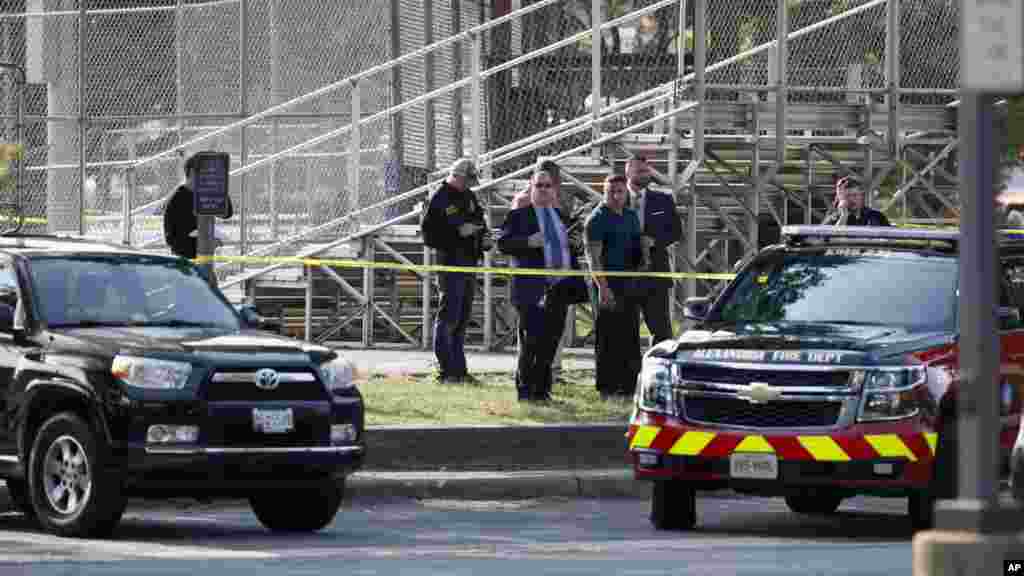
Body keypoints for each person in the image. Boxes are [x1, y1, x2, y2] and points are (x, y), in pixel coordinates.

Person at [498, 169, 585, 402]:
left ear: (554, 189)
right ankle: (526, 392)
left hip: (560, 288)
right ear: (531, 188)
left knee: (551, 342)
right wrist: (528, 241)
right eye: (539, 186)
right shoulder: (519, 215)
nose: (544, 190)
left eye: (548, 186)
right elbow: (503, 243)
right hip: (532, 289)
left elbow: (573, 249)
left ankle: (543, 391)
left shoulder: (561, 216)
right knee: (531, 342)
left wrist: (577, 245)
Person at [424, 158, 491, 384]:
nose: (470, 184)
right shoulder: (440, 197)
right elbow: (429, 235)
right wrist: (457, 233)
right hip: (450, 262)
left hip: (469, 262)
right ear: (459, 176)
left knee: (462, 318)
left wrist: (483, 236)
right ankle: (445, 370)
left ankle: (459, 370)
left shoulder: (469, 196)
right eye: (468, 179)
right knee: (449, 316)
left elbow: (479, 219)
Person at [585, 174, 645, 399]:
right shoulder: (597, 219)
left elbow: (636, 249)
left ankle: (629, 387)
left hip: (629, 282)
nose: (617, 196)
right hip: (607, 283)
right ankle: (607, 388)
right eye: (612, 192)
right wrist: (603, 287)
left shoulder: (630, 216)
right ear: (604, 192)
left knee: (629, 335)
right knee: (608, 336)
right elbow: (594, 258)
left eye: (620, 191)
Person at [625, 156, 681, 346]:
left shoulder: (663, 200)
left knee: (662, 330)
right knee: (624, 330)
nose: (645, 175)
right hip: (623, 274)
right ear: (628, 173)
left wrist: (655, 241)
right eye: (640, 171)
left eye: (647, 171)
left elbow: (676, 232)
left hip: (655, 274)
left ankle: (659, 368)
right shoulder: (615, 197)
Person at [163, 153, 234, 261]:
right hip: (187, 260)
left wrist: (219, 188)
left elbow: (227, 213)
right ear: (192, 172)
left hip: (203, 255)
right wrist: (205, 244)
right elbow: (174, 241)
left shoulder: (204, 192)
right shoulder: (178, 199)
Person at [820, 176, 891, 226]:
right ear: (841, 199)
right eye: (847, 196)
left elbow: (890, 241)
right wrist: (843, 216)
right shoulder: (832, 220)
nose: (851, 199)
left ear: (861, 196)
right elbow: (831, 242)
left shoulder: (876, 216)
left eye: (854, 195)